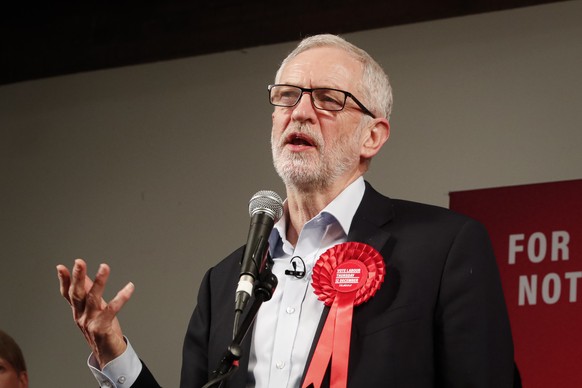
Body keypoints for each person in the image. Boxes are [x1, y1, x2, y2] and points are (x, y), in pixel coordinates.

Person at [57, 34, 517, 387]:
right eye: (287, 95)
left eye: (328, 99)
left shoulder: (443, 248)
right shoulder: (223, 283)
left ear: (372, 136)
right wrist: (111, 348)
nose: (300, 112)